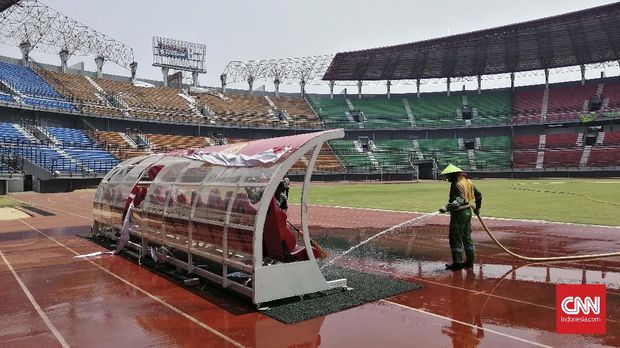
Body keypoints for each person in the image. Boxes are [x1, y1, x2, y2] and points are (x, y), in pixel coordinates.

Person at [438, 164, 482, 270]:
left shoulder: (457, 184)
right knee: (467, 238)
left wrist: (446, 208)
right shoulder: (468, 182)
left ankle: (457, 263)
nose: (447, 178)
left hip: (459, 214)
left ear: (454, 174)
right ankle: (469, 262)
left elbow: (459, 201)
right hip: (467, 212)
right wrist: (478, 208)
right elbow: (479, 194)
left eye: (448, 175)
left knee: (455, 238)